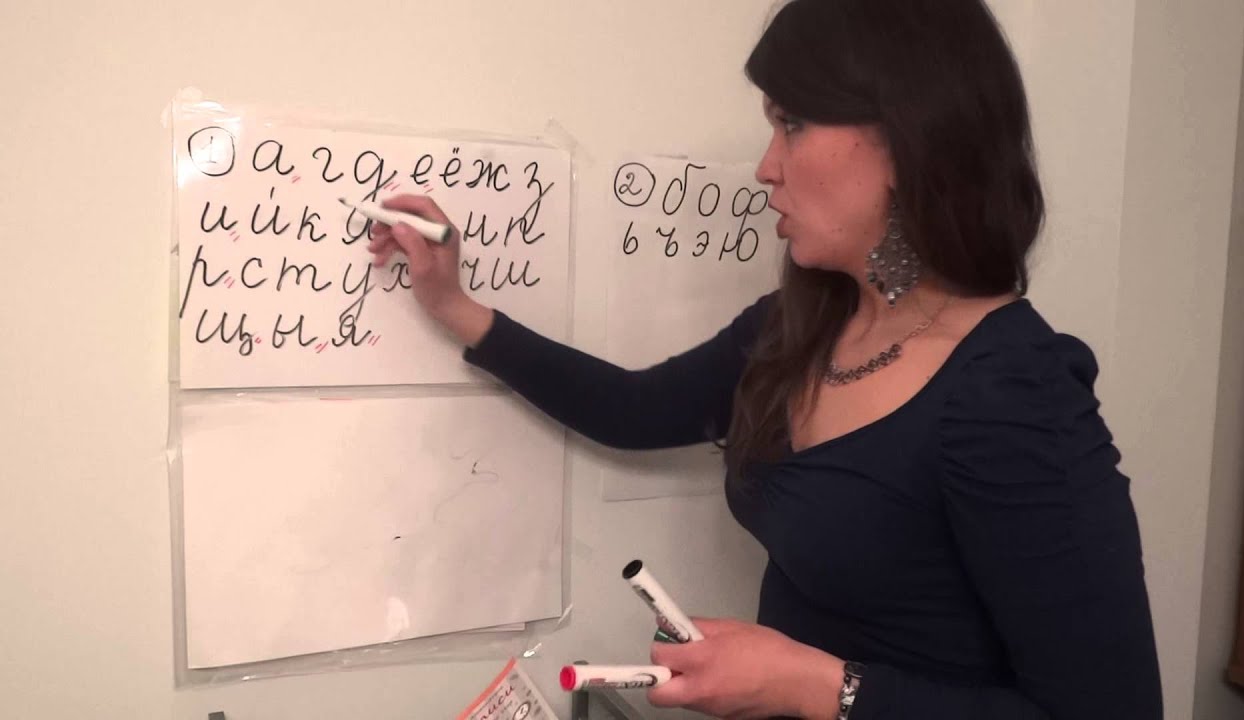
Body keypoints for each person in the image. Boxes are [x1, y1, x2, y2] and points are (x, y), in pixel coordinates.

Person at [368, 0, 1163, 717]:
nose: (766, 166)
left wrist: (810, 684)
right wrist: (454, 306)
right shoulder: (801, 325)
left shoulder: (1015, 392)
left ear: (907, 135)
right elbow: (632, 409)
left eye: (793, 124)